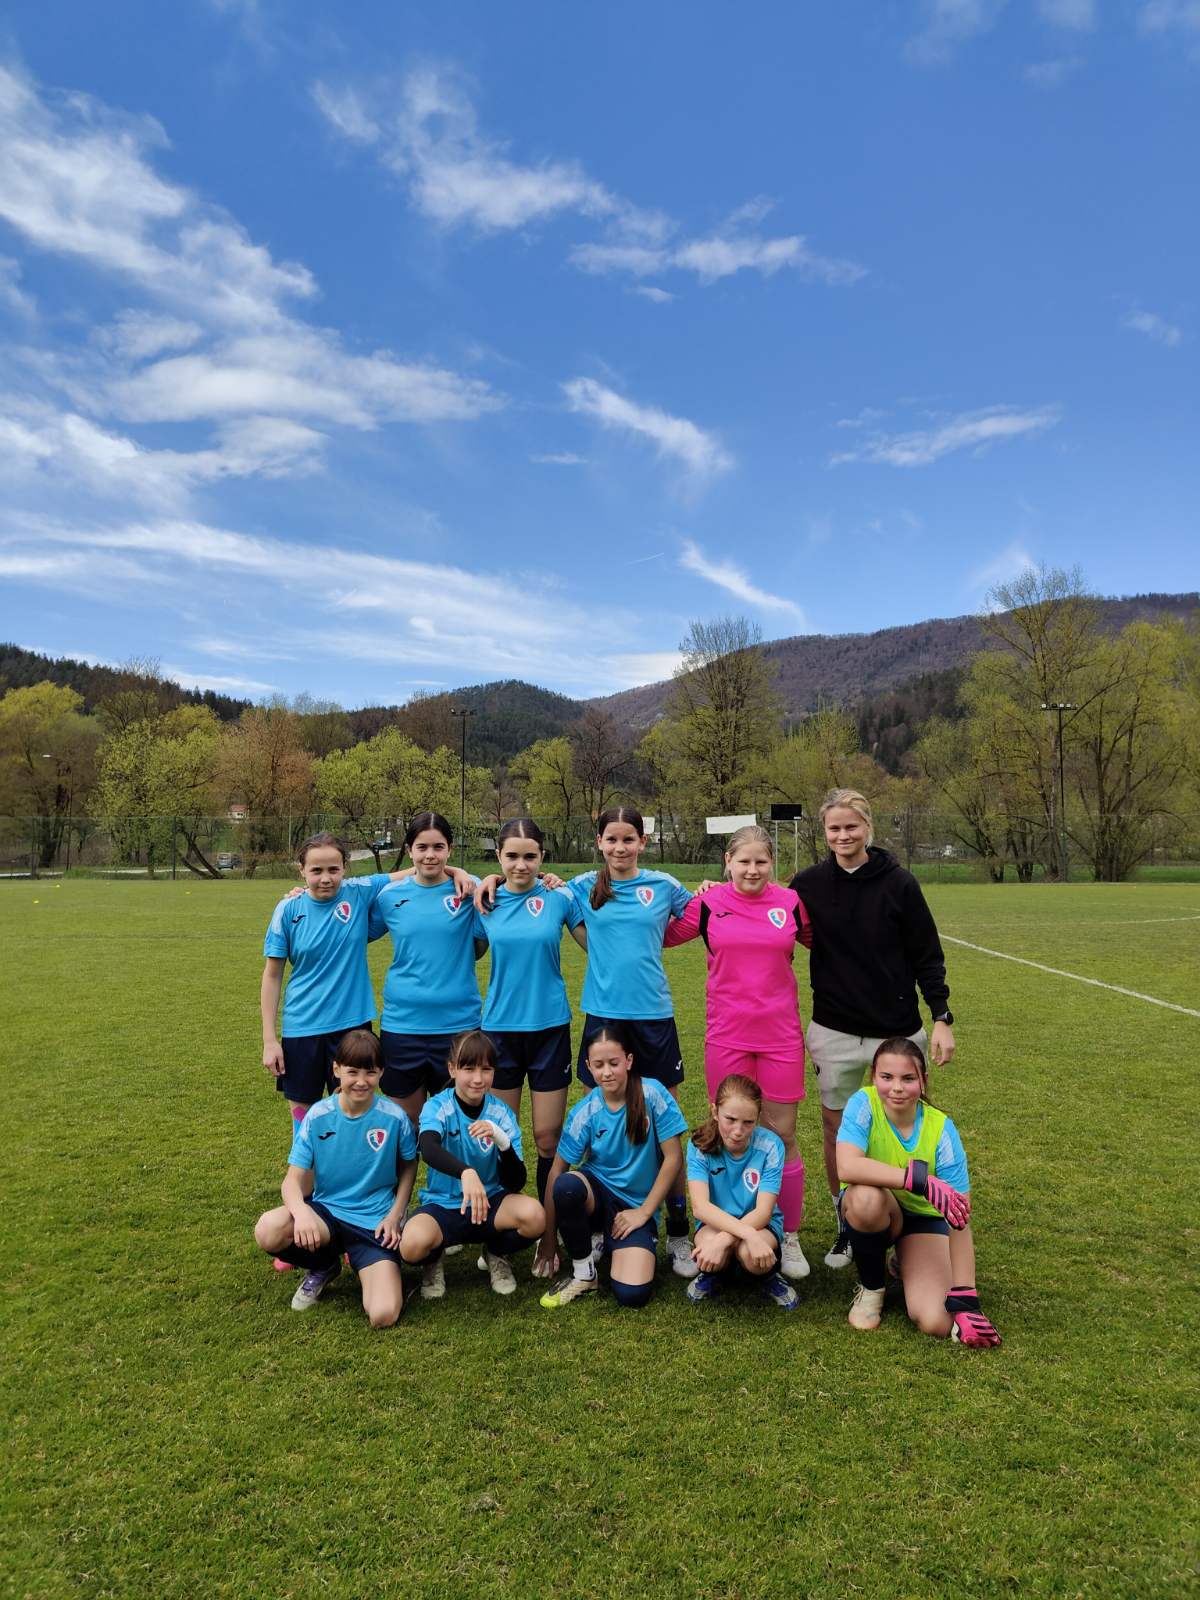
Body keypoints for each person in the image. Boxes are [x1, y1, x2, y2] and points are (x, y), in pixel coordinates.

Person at [789, 788, 957, 1271]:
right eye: (834, 828)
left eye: (851, 826)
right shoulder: (808, 884)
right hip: (834, 1029)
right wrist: (712, 891)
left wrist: (941, 1017)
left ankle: (911, 1224)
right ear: (824, 832)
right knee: (836, 1127)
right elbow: (763, 905)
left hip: (896, 1032)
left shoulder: (900, 883)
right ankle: (849, 1223)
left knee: (906, 1126)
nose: (843, 835)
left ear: (868, 828)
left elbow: (927, 954)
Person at [665, 824, 812, 1280]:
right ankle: (722, 1227)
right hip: (727, 1036)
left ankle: (787, 1236)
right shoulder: (708, 903)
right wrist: (682, 893)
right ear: (727, 862)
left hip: (780, 1036)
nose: (752, 869)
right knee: (728, 1132)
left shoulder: (790, 902)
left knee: (782, 1135)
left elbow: (830, 942)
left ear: (772, 863)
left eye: (761, 861)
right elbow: (659, 933)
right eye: (743, 861)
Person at [471, 818, 586, 1274]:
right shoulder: (484, 900)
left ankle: (548, 1236)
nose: (521, 864)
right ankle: (496, 1239)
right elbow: (463, 948)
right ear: (499, 857)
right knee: (499, 1138)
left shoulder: (559, 898)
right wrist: (481, 880)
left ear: (542, 857)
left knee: (546, 1138)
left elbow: (597, 940)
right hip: (498, 1033)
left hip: (549, 1030)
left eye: (530, 856)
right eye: (512, 856)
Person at [836, 1037, 1000, 1345]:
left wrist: (966, 1298)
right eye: (887, 1077)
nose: (896, 1088)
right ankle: (872, 1289)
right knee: (865, 1199)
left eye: (908, 1078)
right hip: (878, 1207)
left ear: (923, 1081)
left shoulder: (941, 1128)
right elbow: (846, 1167)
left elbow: (959, 1216)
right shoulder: (863, 1103)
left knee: (936, 1322)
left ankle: (905, 1260)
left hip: (922, 1221)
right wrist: (917, 1180)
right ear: (873, 1077)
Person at [253, 1029, 417, 1326]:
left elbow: (409, 1166)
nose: (361, 1081)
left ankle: (373, 1267)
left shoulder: (394, 1118)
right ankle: (324, 1265)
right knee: (269, 1229)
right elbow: (292, 1181)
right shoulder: (318, 1116)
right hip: (327, 1214)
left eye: (370, 1072)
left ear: (381, 1072)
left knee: (383, 1314)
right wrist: (302, 1212)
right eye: (352, 1072)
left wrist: (396, 1214)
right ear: (336, 1069)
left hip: (374, 1223)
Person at [538, 1024, 687, 1310]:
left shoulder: (652, 1094)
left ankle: (611, 1241)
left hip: (635, 1207)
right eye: (599, 1065)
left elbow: (673, 1158)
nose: (606, 1072)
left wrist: (643, 1213)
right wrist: (548, 1239)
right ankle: (584, 1272)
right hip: (597, 1198)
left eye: (614, 1063)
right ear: (588, 1067)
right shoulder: (586, 1111)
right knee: (567, 1186)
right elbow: (557, 1172)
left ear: (628, 1061)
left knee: (632, 1294)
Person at [399, 1031, 545, 1299]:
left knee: (535, 1217)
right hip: (444, 1204)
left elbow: (515, 1182)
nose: (478, 1079)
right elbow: (428, 1148)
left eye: (486, 1069)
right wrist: (465, 1172)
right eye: (468, 1069)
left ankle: (495, 1253)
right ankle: (433, 1259)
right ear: (452, 1069)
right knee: (411, 1245)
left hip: (489, 1203)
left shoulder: (501, 1113)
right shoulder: (438, 1106)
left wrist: (502, 1141)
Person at [368, 813, 483, 1126]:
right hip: (403, 1027)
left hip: (459, 1026)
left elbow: (510, 885)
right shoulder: (389, 897)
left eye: (438, 847)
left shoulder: (469, 890)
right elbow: (354, 929)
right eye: (422, 847)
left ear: (450, 849)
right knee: (407, 1126)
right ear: (409, 850)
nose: (430, 855)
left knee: (458, 1126)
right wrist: (303, 894)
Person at [685, 1073, 800, 1310]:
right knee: (711, 1247)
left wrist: (725, 1240)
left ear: (757, 1118)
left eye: (748, 1122)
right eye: (730, 1119)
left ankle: (767, 1276)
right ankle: (715, 1273)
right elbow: (700, 1207)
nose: (738, 1130)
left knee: (752, 1256)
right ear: (715, 1111)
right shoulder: (699, 1145)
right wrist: (739, 1235)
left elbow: (763, 1212)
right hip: (715, 1223)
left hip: (759, 1224)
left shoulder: (771, 1145)